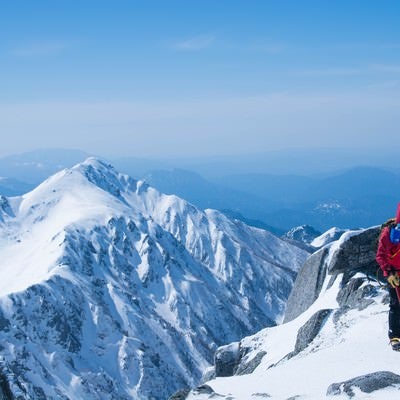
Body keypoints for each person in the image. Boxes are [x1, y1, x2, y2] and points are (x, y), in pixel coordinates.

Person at [376, 203, 400, 351]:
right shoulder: (389, 233)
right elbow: (381, 256)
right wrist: (389, 273)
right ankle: (395, 337)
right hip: (394, 273)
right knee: (396, 304)